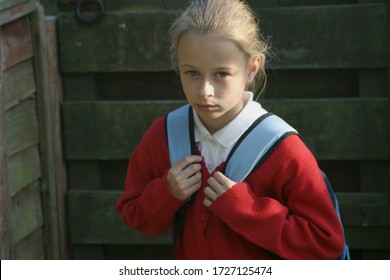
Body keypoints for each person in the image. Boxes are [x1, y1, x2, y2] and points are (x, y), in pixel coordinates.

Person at [116, 0, 344, 259]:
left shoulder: (283, 149)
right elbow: (133, 214)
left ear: (251, 68)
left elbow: (326, 244)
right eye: (191, 73)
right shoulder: (163, 135)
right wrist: (166, 193)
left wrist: (247, 209)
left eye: (221, 74)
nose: (205, 91)